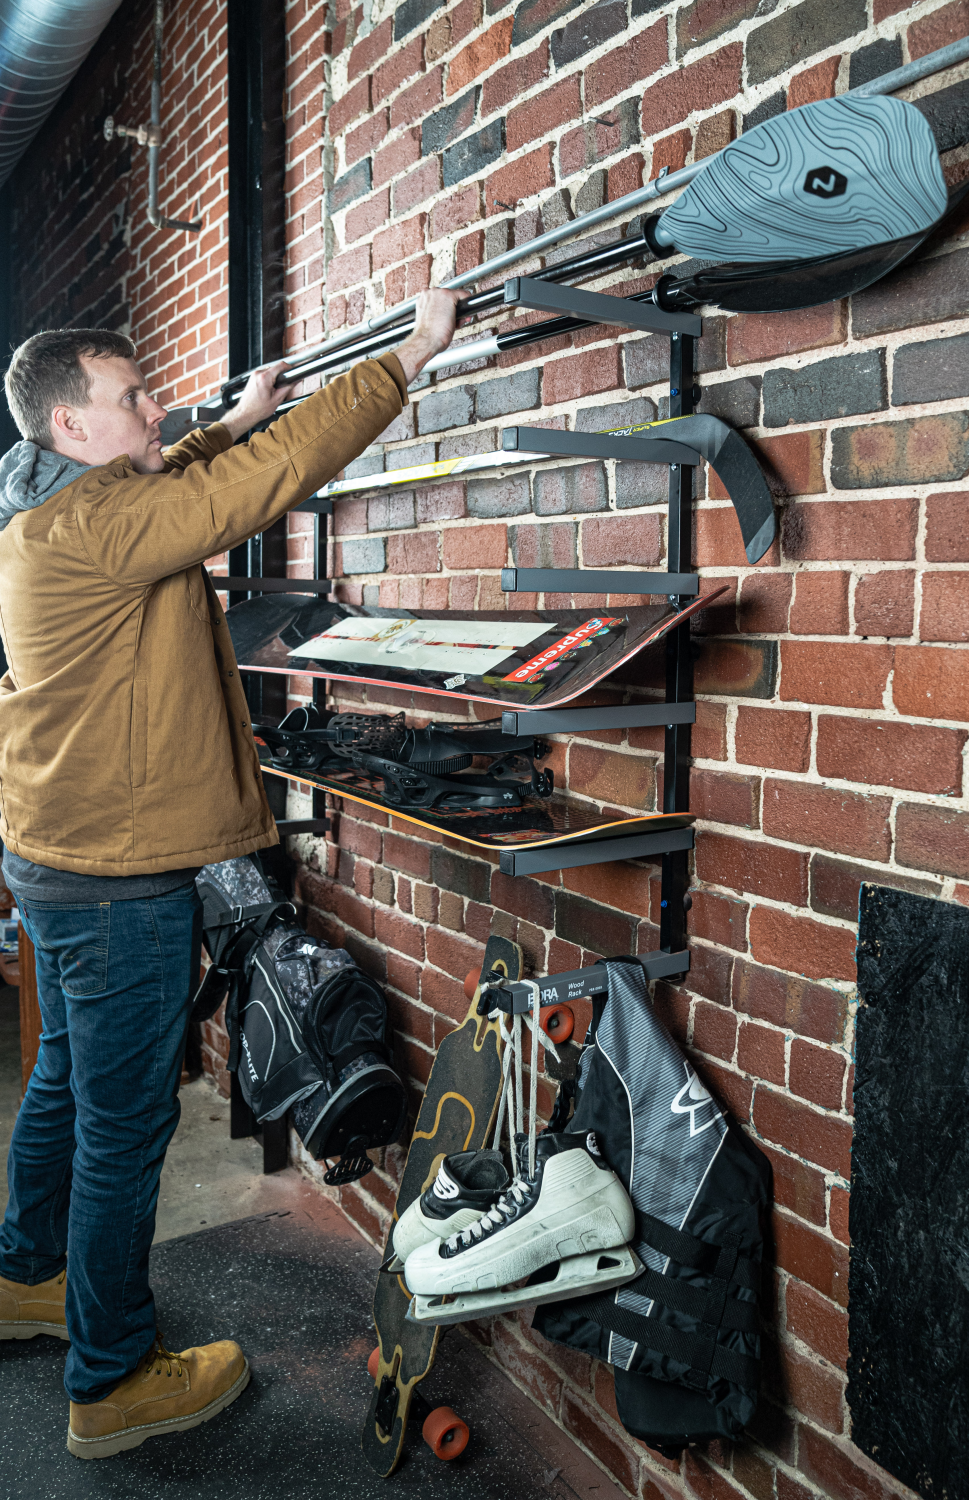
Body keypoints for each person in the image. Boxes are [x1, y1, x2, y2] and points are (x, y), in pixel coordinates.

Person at [0, 289, 459, 1458]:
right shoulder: (103, 524)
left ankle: (26, 1274)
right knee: (123, 1126)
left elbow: (185, 472)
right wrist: (405, 358)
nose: (156, 408)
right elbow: (248, 489)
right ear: (71, 426)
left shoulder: (49, 505)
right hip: (118, 878)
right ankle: (110, 1381)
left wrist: (237, 413)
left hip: (57, 855)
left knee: (64, 1080)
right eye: (134, 398)